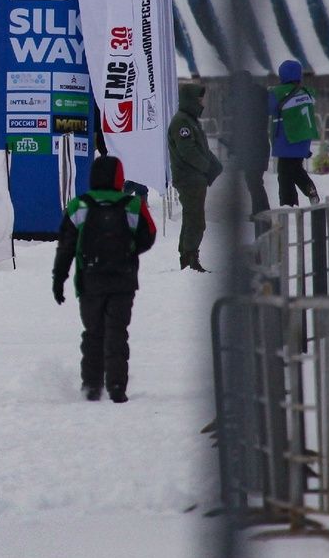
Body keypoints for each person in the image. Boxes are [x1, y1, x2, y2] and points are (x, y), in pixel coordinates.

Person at [52, 155, 157, 404]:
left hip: (90, 281)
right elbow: (149, 235)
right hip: (123, 281)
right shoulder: (132, 205)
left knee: (93, 333)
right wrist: (129, 250)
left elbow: (65, 246)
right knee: (117, 333)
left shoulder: (79, 205)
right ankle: (117, 387)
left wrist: (59, 278)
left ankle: (91, 386)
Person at [168, 83, 222, 272]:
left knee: (192, 218)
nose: (202, 102)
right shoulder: (182, 122)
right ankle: (190, 258)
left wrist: (215, 166)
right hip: (189, 178)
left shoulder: (189, 120)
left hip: (194, 178)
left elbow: (201, 149)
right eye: (199, 99)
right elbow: (188, 151)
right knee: (196, 220)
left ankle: (188, 255)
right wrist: (208, 167)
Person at [268, 59, 320, 207]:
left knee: (285, 173)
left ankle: (290, 202)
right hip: (303, 139)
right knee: (294, 168)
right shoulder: (307, 93)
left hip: (287, 139)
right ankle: (298, 198)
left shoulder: (277, 93)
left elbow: (267, 108)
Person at [221, 71, 271, 220]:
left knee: (254, 181)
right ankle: (260, 211)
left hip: (251, 147)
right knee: (255, 181)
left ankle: (262, 212)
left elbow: (230, 112)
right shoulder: (260, 95)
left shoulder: (243, 100)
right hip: (260, 144)